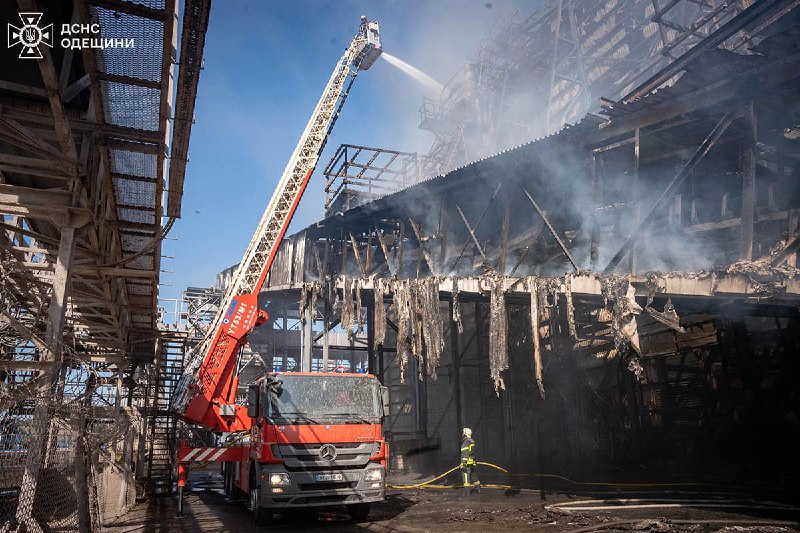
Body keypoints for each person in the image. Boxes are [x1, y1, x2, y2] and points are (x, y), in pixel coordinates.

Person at [460, 427, 480, 495]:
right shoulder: (471, 441)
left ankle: (466, 492)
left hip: (467, 463)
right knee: (474, 476)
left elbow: (465, 453)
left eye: (463, 433)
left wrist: (464, 464)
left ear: (465, 434)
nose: (462, 434)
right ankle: (478, 489)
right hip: (472, 462)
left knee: (466, 477)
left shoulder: (465, 442)